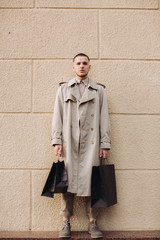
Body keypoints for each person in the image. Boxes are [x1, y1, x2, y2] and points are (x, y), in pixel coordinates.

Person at [51, 53, 111, 238]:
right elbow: (57, 117)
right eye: (78, 63)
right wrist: (57, 141)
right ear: (73, 67)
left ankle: (93, 223)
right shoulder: (63, 89)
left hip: (91, 144)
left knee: (93, 182)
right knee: (66, 183)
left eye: (85, 63)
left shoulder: (99, 90)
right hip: (69, 143)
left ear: (89, 67)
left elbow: (104, 119)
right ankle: (65, 222)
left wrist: (105, 143)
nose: (82, 66)